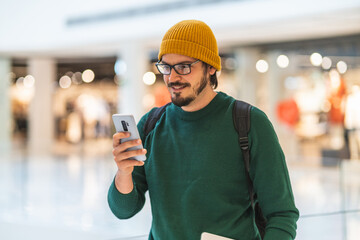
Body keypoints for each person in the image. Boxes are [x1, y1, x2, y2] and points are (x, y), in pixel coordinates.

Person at [108, 19, 299, 240]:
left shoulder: (249, 123)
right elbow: (123, 210)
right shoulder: (150, 126)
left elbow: (282, 214)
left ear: (211, 68)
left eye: (184, 67)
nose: (172, 77)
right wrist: (124, 172)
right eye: (166, 67)